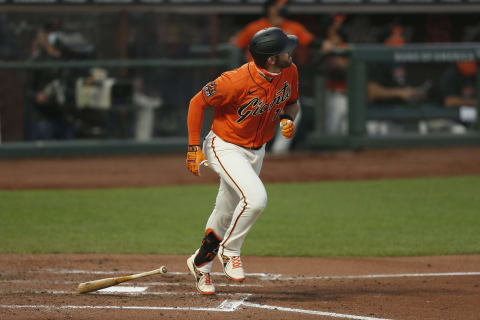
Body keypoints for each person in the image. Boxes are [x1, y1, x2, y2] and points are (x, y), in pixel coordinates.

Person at [185, 27, 300, 295]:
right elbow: (196, 103)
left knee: (226, 211)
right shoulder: (234, 81)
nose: (291, 52)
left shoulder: (290, 71)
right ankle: (229, 249)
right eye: (286, 49)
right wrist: (193, 146)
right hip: (225, 146)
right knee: (256, 199)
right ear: (271, 58)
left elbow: (292, 102)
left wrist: (288, 118)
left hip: (256, 151)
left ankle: (200, 264)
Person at [231, 0, 314, 154]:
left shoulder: (292, 27)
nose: (282, 8)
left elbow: (312, 42)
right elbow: (235, 46)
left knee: (293, 110)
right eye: (278, 5)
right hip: (255, 79)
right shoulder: (255, 28)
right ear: (270, 8)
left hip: (278, 81)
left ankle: (278, 153)